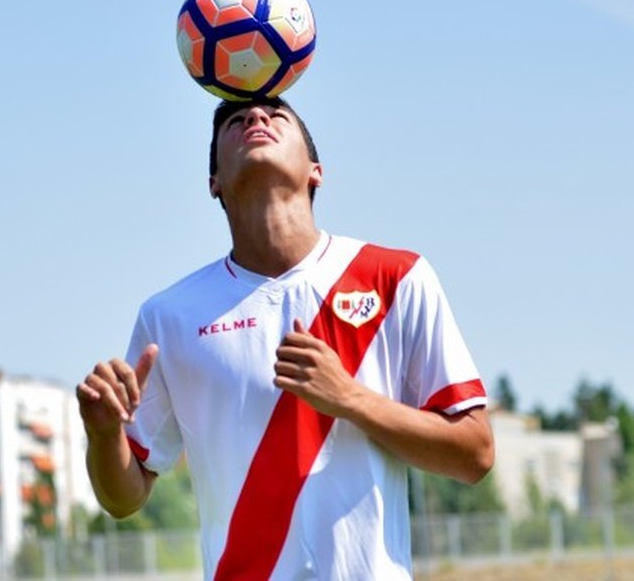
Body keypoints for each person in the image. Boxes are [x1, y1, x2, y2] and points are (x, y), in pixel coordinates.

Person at [76, 96, 494, 580]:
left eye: (276, 115)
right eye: (235, 121)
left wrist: (351, 398)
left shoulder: (396, 278)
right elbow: (123, 498)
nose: (255, 118)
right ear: (213, 183)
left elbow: (475, 453)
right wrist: (104, 436)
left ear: (316, 170)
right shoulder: (168, 315)